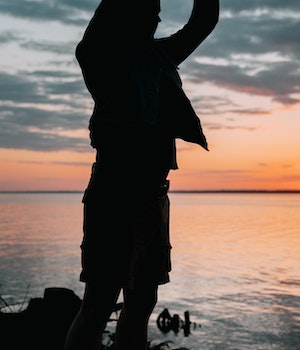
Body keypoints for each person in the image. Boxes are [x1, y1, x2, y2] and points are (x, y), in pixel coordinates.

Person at [64, 0, 219, 349]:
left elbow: (204, 21)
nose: (159, 14)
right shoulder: (100, 53)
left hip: (155, 196)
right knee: (99, 303)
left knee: (142, 302)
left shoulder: (160, 56)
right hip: (117, 191)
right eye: (151, 5)